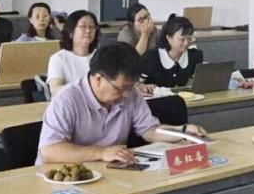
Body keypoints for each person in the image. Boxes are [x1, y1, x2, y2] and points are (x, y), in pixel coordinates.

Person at [37, 42, 207, 164]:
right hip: (66, 176)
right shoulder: (67, 100)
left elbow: (150, 130)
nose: (126, 94)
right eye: (121, 88)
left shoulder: (130, 93)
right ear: (98, 79)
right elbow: (49, 151)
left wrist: (182, 132)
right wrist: (101, 153)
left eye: (130, 87)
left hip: (108, 170)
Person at [137, 14, 204, 90]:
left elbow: (197, 82)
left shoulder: (194, 56)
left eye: (189, 39)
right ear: (169, 38)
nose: (186, 43)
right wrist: (143, 86)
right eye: (182, 39)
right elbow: (135, 83)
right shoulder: (151, 58)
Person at [47, 10, 100, 92]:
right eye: (83, 26)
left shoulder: (101, 56)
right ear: (71, 31)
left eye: (92, 27)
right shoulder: (58, 58)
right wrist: (84, 91)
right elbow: (55, 89)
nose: (88, 30)